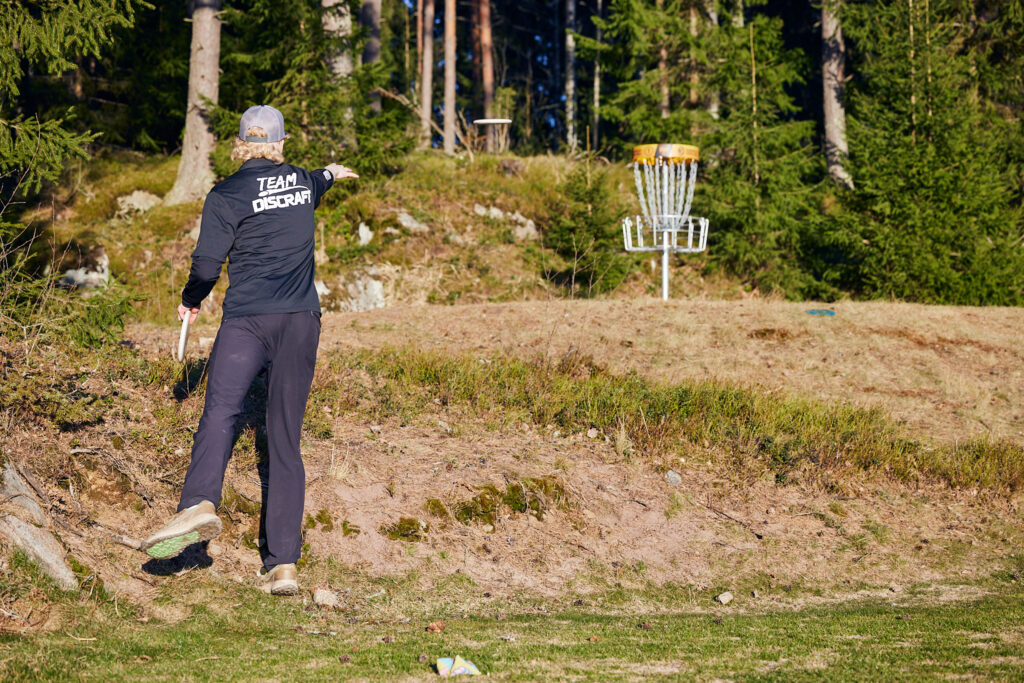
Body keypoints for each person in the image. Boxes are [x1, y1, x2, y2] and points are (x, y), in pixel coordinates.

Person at [141, 105, 357, 595]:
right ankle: (283, 565)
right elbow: (318, 181)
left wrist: (190, 300)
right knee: (285, 437)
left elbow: (206, 264)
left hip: (246, 322)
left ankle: (198, 504)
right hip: (301, 321)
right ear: (279, 145)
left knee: (220, 412)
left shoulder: (226, 194)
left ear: (240, 145)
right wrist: (332, 173)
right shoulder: (303, 183)